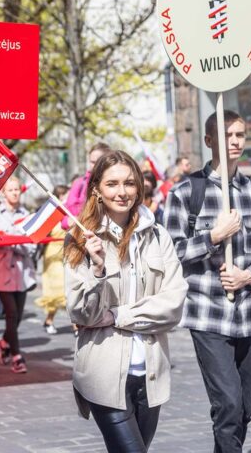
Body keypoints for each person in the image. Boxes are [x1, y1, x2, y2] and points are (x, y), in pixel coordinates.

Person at [65, 149, 187, 452]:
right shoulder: (80, 239)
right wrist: (97, 270)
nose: (122, 192)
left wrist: (118, 315)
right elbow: (83, 314)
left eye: (130, 183)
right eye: (112, 184)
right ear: (97, 189)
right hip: (103, 375)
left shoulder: (159, 236)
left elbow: (173, 304)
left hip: (151, 373)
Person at [164, 110, 251, 453]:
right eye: (227, 135)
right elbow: (170, 252)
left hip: (250, 315)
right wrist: (213, 236)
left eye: (240, 134)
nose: (236, 141)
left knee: (243, 410)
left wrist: (249, 275)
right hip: (208, 314)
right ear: (209, 140)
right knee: (227, 404)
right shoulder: (185, 192)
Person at [0, 176, 35, 373]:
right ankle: (17, 356)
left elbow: (31, 247)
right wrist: (13, 242)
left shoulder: (28, 215)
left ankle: (5, 342)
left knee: (18, 317)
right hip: (2, 273)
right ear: (4, 193)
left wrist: (12, 242)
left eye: (17, 189)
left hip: (22, 274)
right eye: (10, 190)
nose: (15, 193)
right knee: (11, 314)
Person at [34, 185, 70, 334]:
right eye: (67, 195)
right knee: (58, 290)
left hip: (68, 255)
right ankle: (72, 325)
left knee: (68, 291)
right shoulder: (53, 215)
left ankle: (49, 321)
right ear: (60, 196)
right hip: (53, 255)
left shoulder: (70, 214)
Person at [62, 142, 112, 230]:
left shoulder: (116, 183)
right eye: (92, 162)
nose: (95, 165)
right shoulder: (79, 183)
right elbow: (65, 218)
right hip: (82, 237)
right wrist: (69, 221)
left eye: (99, 161)